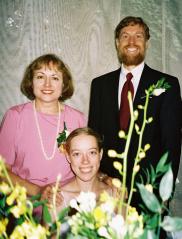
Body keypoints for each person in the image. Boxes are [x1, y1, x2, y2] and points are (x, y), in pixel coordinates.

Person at [88, 16, 182, 209]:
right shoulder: (99, 85)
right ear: (117, 43)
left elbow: (171, 144)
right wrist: (98, 179)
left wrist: (164, 193)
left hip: (150, 192)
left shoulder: (167, 85)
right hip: (107, 190)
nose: (131, 42)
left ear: (146, 43)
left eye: (138, 36)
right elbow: (94, 138)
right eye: (125, 36)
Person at [0, 53, 86, 197]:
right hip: (24, 201)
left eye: (55, 78)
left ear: (63, 84)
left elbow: (85, 164)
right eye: (40, 77)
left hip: (65, 200)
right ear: (31, 82)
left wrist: (104, 178)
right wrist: (37, 191)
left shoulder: (78, 119)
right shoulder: (15, 116)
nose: (47, 84)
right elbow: (2, 171)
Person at [41, 127, 120, 215]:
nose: (85, 161)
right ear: (68, 157)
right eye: (77, 154)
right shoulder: (56, 199)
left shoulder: (115, 193)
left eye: (92, 152)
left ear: (100, 154)